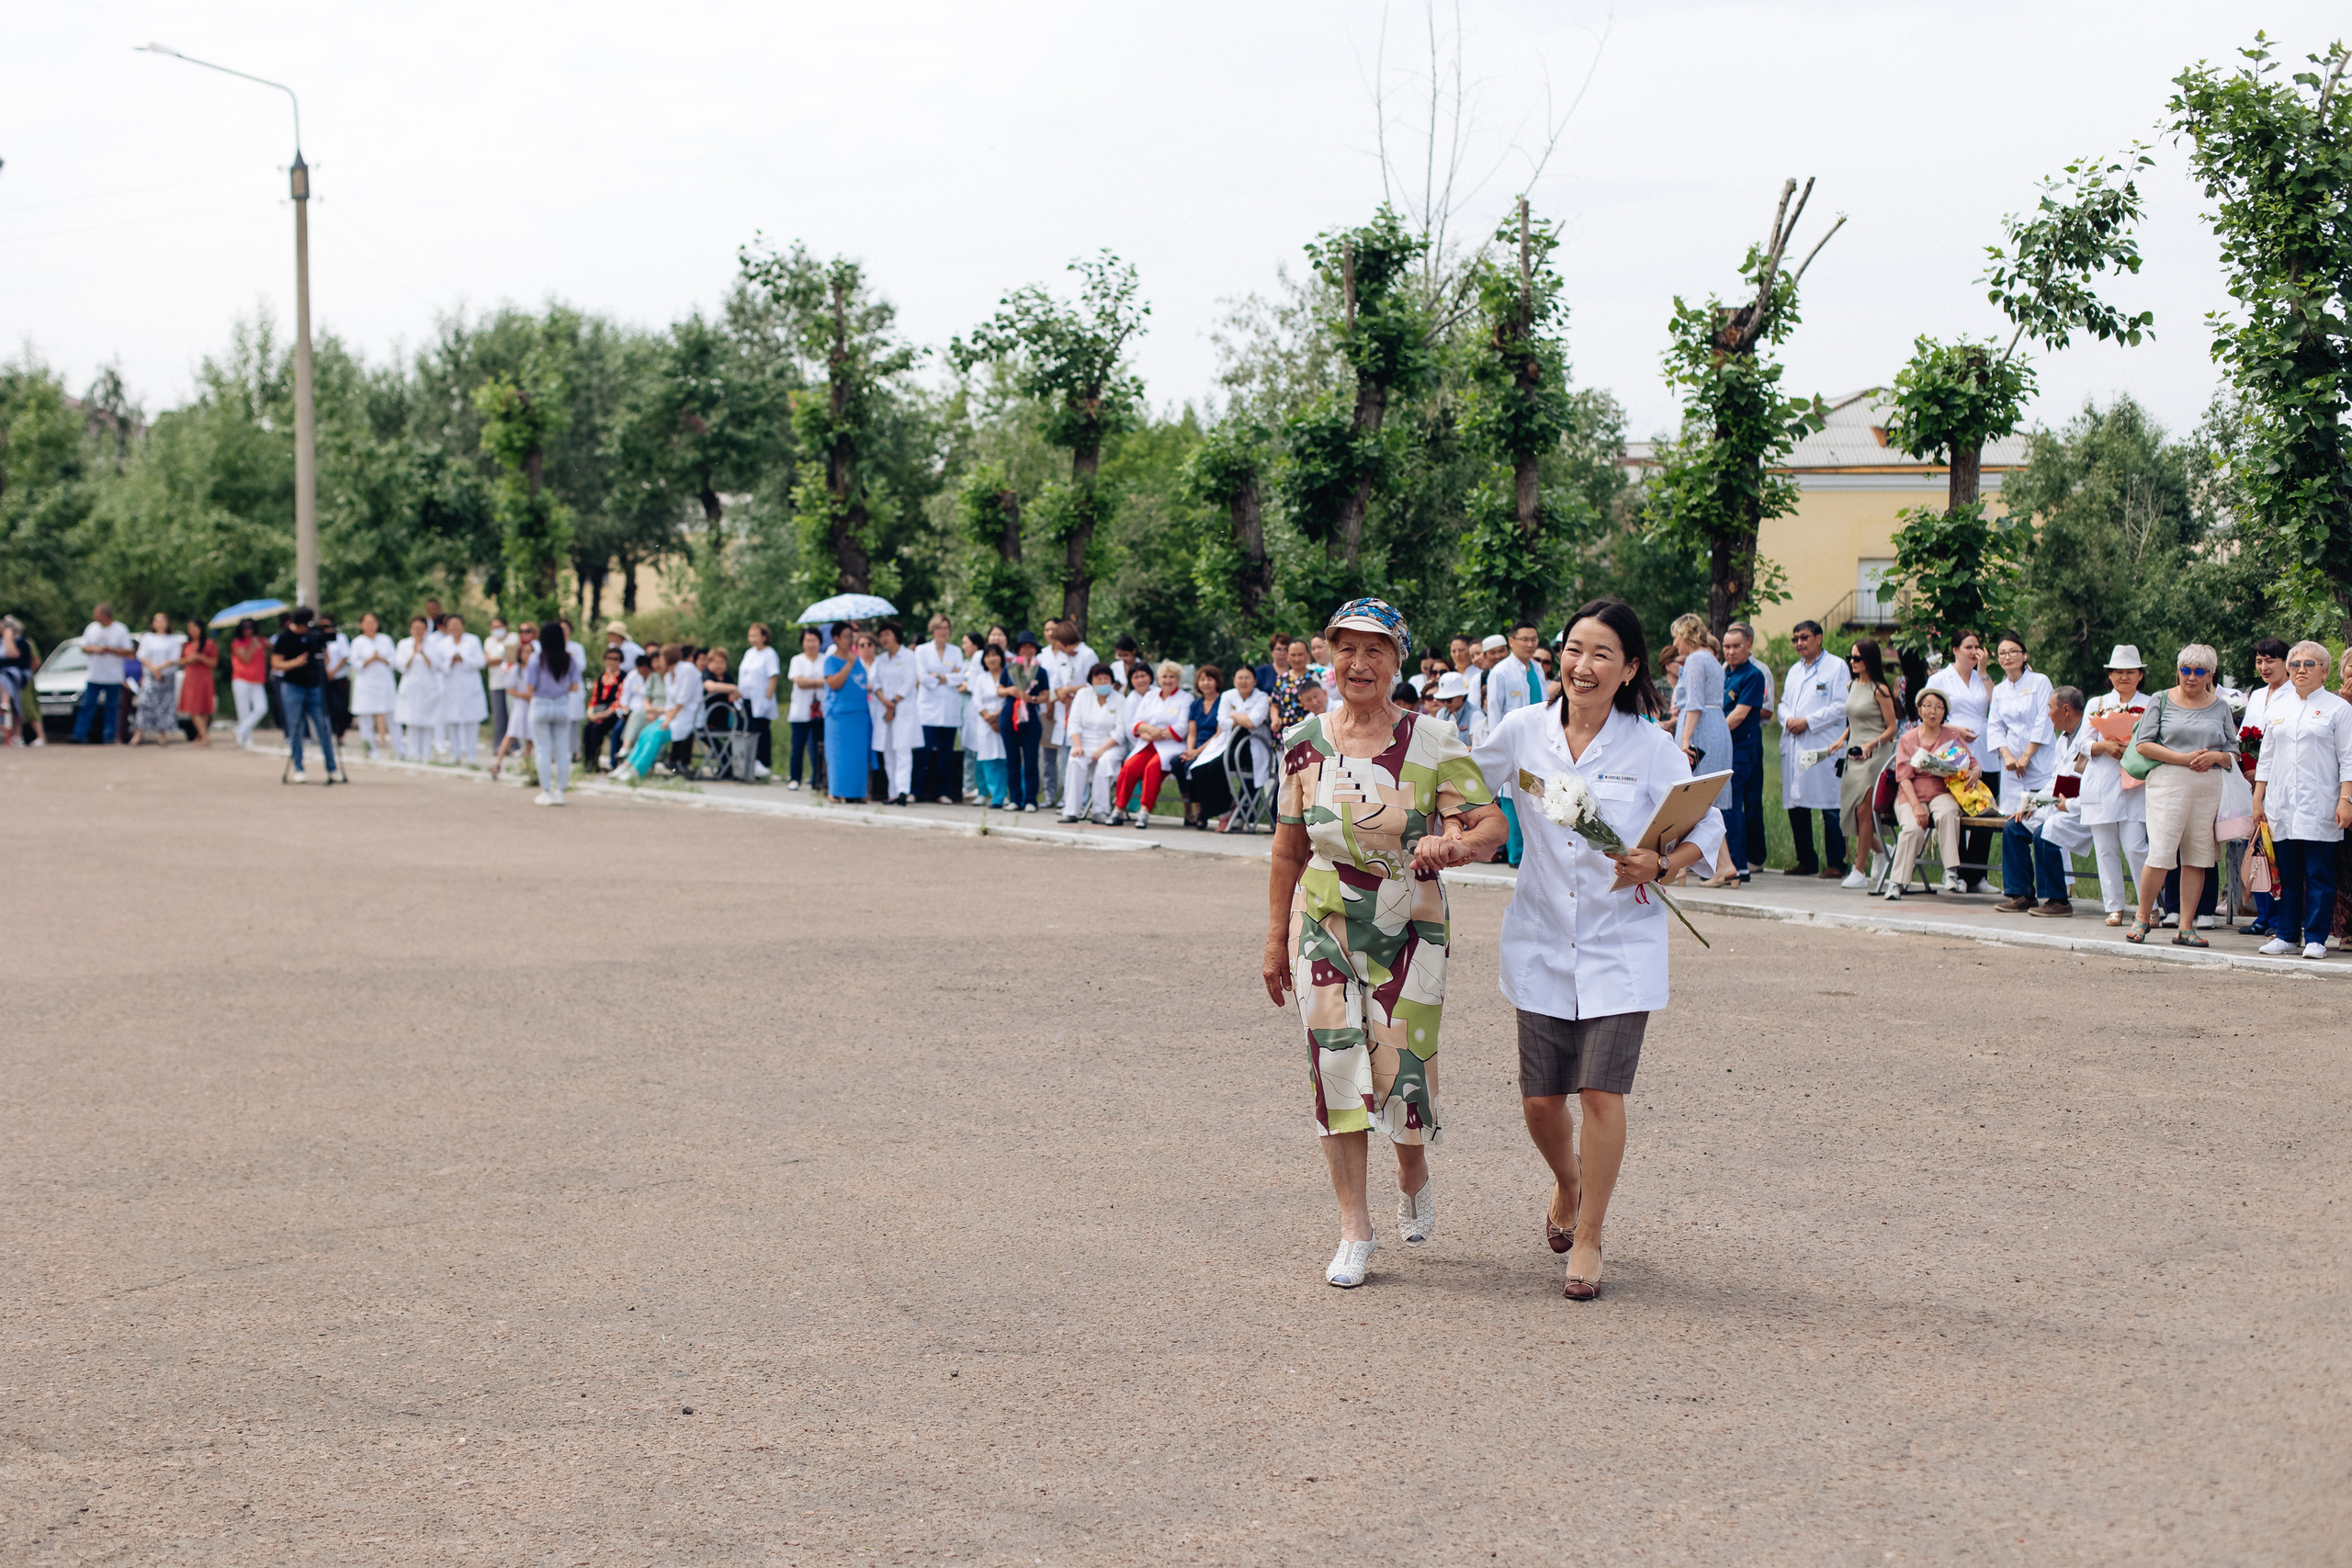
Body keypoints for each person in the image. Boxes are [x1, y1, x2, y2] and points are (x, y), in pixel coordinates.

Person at [1471, 598, 1723, 1302]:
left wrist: (1662, 862)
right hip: (1542, 939)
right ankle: (1567, 1180)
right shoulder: (1523, 731)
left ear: (1630, 668)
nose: (1583, 666)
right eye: (1574, 650)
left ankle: (1589, 1234)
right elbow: (1463, 783)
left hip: (1620, 943)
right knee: (1541, 1101)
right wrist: (1469, 822)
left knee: (1602, 1092)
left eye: (1602, 654)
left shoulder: (1650, 746)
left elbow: (1709, 823)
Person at [1263, 597, 1506, 1289]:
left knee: (1402, 1071)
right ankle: (1354, 1229)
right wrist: (1275, 940)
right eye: (1346, 647)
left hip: (1412, 927)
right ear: (1328, 656)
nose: (1359, 662)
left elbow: (1492, 829)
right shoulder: (1303, 741)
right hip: (1325, 922)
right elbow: (1288, 849)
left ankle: (1412, 1167)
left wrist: (1453, 844)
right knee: (1336, 1066)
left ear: (1398, 660)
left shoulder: (1434, 740)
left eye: (1376, 650)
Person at [2126, 645, 2239, 947]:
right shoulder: (2160, 699)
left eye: (2199, 671)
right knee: (2161, 853)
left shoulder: (2221, 707)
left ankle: (2186, 926)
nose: (2191, 677)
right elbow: (2143, 744)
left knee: (2198, 857)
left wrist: (2215, 756)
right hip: (2168, 781)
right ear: (2178, 671)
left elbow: (2233, 753)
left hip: (2207, 786)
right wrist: (2183, 758)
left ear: (2210, 675)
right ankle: (2142, 916)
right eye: (2186, 670)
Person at [2251, 641, 2352, 959]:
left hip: (2321, 802)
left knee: (2319, 873)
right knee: (2289, 874)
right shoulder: (2278, 708)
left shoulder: (2339, 709)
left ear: (2325, 671)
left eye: (2309, 664)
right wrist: (2258, 798)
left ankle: (2316, 938)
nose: (2301, 670)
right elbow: (2266, 757)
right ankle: (2286, 935)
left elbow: (2348, 758)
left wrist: (2346, 799)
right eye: (2295, 665)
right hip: (2282, 802)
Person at [1996, 685, 2088, 916]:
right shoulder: (2063, 740)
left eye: (2050, 708)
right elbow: (2055, 780)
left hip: (2082, 807)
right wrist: (2032, 803)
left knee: (2045, 833)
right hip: (2058, 804)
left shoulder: (2090, 737)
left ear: (2066, 709)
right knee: (2014, 827)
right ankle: (2022, 895)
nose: (2048, 714)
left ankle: (2058, 901)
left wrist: (2067, 803)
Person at [1884, 688, 1976, 899]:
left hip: (1941, 791)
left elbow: (1972, 762)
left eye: (1939, 707)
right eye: (1928, 706)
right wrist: (1916, 806)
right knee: (1912, 828)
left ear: (1944, 712)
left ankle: (1951, 872)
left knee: (1947, 814)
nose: (1933, 712)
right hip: (1911, 793)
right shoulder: (1908, 739)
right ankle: (1896, 882)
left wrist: (1975, 772)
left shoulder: (1951, 736)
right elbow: (1903, 777)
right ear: (1919, 709)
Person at [1777, 619, 1849, 877]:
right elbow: (1783, 704)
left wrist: (1807, 721)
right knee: (1797, 803)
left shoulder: (1836, 667)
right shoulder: (1795, 671)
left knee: (1830, 804)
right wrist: (1788, 719)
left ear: (1819, 638)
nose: (1799, 643)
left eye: (1804, 637)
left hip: (1823, 744)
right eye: (1795, 639)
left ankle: (1836, 863)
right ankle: (1806, 860)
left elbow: (1842, 705)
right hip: (1796, 743)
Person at [1926, 630, 1996, 886]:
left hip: (1985, 751)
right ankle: (1957, 870)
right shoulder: (1941, 678)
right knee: (1959, 809)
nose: (1974, 652)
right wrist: (1955, 729)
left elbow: (1995, 702)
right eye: (1969, 647)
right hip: (1954, 750)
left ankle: (1977, 874)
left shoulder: (1981, 678)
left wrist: (1983, 670)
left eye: (1978, 647)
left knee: (1985, 810)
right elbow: (1927, 713)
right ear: (1955, 650)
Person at [2237, 638, 2295, 937]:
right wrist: (2248, 766)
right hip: (2254, 781)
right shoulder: (2257, 695)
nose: (2264, 667)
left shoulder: (2294, 694)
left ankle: (2283, 919)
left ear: (2286, 662)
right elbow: (2245, 737)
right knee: (2259, 849)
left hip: (2281, 781)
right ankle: (2264, 914)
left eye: (2270, 660)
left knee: (2280, 852)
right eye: (2260, 661)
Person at [1838, 638, 1903, 887]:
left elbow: (1892, 728)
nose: (1852, 662)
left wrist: (1872, 744)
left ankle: (1859, 869)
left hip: (1875, 756)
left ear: (1869, 660)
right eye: (1850, 658)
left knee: (1864, 811)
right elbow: (1855, 719)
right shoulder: (1851, 685)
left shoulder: (1880, 690)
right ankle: (1882, 850)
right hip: (1854, 754)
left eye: (1857, 658)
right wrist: (1841, 739)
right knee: (1851, 812)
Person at [1986, 633, 2057, 816]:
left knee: (2041, 815)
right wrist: (2007, 756)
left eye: (2013, 652)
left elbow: (2044, 720)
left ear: (2025, 655)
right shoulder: (1999, 690)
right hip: (2011, 765)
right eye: (2002, 653)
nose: (2007, 657)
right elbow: (1995, 726)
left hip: (2039, 759)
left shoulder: (2040, 681)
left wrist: (2026, 757)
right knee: (2012, 817)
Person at [1720, 623, 1768, 883]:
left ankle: (1737, 866)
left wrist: (1715, 734)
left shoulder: (1753, 675)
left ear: (1748, 645)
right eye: (1726, 647)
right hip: (1724, 748)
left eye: (1736, 646)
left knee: (1731, 806)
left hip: (1740, 748)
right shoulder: (1725, 673)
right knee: (1724, 806)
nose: (1731, 652)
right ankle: (1731, 865)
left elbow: (1738, 715)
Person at [271, 607, 339, 782]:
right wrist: (295, 662)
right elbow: (276, 663)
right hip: (293, 686)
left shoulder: (314, 634)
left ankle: (332, 768)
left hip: (315, 686)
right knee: (296, 728)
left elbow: (325, 655)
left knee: (323, 726)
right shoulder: (285, 637)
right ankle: (298, 767)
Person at [1667, 614, 1734, 783]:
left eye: (1676, 637)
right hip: (1717, 725)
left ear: (1686, 635)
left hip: (1700, 731)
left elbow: (1695, 703)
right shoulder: (1712, 659)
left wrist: (1685, 741)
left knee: (1694, 786)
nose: (1675, 643)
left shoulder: (1695, 660)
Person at [520, 629, 582, 806]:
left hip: (540, 704)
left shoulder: (536, 659)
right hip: (561, 704)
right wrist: (560, 690)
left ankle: (546, 791)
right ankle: (561, 791)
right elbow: (575, 686)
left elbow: (530, 687)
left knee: (543, 749)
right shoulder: (568, 659)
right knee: (562, 750)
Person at [1060, 662, 1126, 823]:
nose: (1102, 683)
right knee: (1075, 760)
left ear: (1112, 681)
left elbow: (1120, 731)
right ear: (1092, 681)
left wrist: (1102, 750)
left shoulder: (1120, 699)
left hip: (1111, 745)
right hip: (1085, 743)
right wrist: (1077, 745)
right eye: (1099, 679)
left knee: (1105, 762)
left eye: (1106, 679)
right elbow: (1074, 722)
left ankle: (1100, 810)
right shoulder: (1082, 695)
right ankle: (1071, 811)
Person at [913, 615, 964, 803]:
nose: (943, 632)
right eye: (939, 628)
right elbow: (923, 678)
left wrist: (938, 676)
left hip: (949, 708)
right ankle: (916, 791)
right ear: (932, 630)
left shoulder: (956, 651)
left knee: (946, 754)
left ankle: (943, 792)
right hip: (928, 709)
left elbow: (960, 678)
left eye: (946, 628)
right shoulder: (922, 650)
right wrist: (948, 676)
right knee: (924, 751)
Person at [867, 622, 919, 805]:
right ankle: (893, 793)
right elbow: (875, 682)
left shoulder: (908, 656)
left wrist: (894, 703)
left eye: (887, 634)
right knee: (888, 751)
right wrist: (885, 701)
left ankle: (903, 790)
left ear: (896, 635)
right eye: (881, 635)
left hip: (902, 708)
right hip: (884, 708)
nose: (884, 639)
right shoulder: (881, 659)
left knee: (902, 749)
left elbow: (909, 681)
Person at [820, 624, 872, 804]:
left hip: (859, 715)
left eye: (852, 636)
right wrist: (848, 664)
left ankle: (856, 793)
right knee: (839, 756)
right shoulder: (831, 660)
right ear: (836, 638)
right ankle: (836, 791)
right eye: (847, 636)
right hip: (840, 716)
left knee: (858, 756)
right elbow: (834, 684)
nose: (851, 640)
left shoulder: (858, 660)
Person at [997, 632, 1046, 811]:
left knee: (1031, 760)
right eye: (1023, 647)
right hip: (1010, 717)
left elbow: (1046, 695)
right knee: (1012, 760)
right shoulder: (1010, 668)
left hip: (1030, 718)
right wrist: (1011, 690)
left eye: (1030, 647)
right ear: (1018, 649)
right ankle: (1015, 798)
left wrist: (1031, 698)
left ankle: (1031, 799)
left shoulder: (1040, 671)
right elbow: (999, 690)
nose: (1027, 650)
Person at [72, 604, 134, 744]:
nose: (94, 616)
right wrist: (96, 649)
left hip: (113, 677)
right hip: (94, 675)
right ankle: (79, 735)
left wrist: (110, 650)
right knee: (88, 705)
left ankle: (109, 736)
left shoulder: (120, 629)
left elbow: (129, 651)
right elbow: (84, 647)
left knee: (112, 707)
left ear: (105, 615)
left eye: (97, 614)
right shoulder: (92, 628)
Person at [1173, 664, 1224, 828]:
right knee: (1177, 762)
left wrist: (1197, 752)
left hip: (1215, 746)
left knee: (1193, 765)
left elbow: (1219, 733)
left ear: (1217, 682)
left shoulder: (1223, 701)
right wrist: (1190, 750)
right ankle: (1190, 808)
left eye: (1210, 679)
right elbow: (1192, 733)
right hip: (1196, 746)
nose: (1206, 683)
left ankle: (1202, 811)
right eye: (1202, 679)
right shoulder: (1196, 704)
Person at [438, 614, 488, 766]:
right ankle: (455, 755)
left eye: (457, 624)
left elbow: (481, 661)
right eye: (451, 625)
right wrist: (450, 661)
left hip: (469, 687)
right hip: (451, 688)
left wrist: (464, 658)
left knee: (471, 723)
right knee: (452, 722)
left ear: (462, 626)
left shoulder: (473, 640)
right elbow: (438, 665)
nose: (455, 628)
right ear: (447, 628)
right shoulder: (443, 644)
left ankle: (471, 756)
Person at [965, 644, 1012, 806]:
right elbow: (977, 700)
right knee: (988, 760)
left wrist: (998, 716)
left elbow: (1009, 699)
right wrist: (989, 719)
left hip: (1005, 720)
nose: (992, 659)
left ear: (1001, 657)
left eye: (995, 655)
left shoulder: (1008, 676)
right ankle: (995, 795)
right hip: (985, 723)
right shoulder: (981, 678)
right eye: (988, 656)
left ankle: (1004, 794)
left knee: (1005, 759)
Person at [489, 623, 537, 779]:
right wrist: (524, 695)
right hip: (521, 705)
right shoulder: (516, 670)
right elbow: (510, 689)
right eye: (525, 652)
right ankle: (498, 762)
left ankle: (526, 765)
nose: (527, 655)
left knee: (530, 737)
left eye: (530, 652)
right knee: (511, 734)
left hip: (532, 705)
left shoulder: (535, 670)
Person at [130, 611, 186, 743]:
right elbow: (142, 655)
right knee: (145, 703)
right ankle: (139, 733)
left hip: (166, 676)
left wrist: (160, 668)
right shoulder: (148, 637)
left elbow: (174, 658)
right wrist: (154, 669)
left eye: (162, 620)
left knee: (165, 705)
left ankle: (162, 734)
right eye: (157, 620)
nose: (160, 623)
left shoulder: (173, 639)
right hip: (150, 675)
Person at [347, 613, 397, 761]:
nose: (370, 626)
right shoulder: (357, 642)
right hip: (366, 686)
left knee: (392, 717)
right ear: (361, 625)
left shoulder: (385, 640)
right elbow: (355, 664)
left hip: (384, 684)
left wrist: (380, 658)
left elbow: (394, 661)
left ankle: (399, 751)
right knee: (365, 719)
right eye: (367, 622)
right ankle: (370, 752)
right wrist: (371, 658)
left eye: (373, 622)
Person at [786, 626, 827, 791]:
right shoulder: (797, 660)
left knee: (819, 746)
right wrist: (819, 682)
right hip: (800, 710)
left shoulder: (825, 659)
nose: (811, 644)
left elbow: (830, 681)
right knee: (798, 746)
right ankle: (795, 778)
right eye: (807, 640)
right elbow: (800, 682)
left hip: (821, 710)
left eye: (814, 640)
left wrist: (810, 681)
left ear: (819, 642)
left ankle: (818, 778)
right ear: (802, 642)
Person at [740, 623, 782, 781]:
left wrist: (767, 698)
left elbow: (773, 677)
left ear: (764, 637)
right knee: (750, 729)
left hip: (762, 699)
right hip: (747, 698)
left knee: (762, 730)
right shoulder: (749, 653)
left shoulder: (769, 654)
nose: (752, 639)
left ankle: (763, 763)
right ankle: (752, 761)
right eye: (750, 636)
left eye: (755, 635)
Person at [223, 617, 268, 748]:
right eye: (245, 627)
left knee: (261, 708)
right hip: (241, 680)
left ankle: (241, 730)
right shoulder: (237, 643)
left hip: (257, 680)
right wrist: (252, 645)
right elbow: (246, 659)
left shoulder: (260, 640)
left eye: (251, 627)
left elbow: (274, 647)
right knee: (244, 711)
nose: (248, 630)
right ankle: (247, 740)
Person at [173, 617, 218, 746]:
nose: (192, 631)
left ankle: (201, 735)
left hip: (204, 678)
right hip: (191, 678)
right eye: (190, 629)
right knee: (193, 707)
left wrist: (201, 658)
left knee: (204, 707)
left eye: (194, 628)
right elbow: (179, 661)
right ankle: (205, 736)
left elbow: (214, 663)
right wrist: (189, 659)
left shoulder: (209, 644)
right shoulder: (186, 645)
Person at [583, 648, 628, 772]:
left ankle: (596, 761)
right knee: (588, 727)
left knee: (597, 728)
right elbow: (594, 699)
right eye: (609, 658)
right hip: (599, 712)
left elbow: (619, 701)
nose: (612, 661)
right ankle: (589, 761)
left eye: (615, 659)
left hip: (614, 714)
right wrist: (591, 713)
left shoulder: (623, 678)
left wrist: (603, 715)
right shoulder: (601, 678)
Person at [1271, 636, 1315, 733]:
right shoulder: (1281, 679)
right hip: (1285, 732)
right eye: (1293, 655)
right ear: (1288, 656)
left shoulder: (1315, 677)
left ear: (1308, 655)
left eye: (1300, 654)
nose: (1297, 659)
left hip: (1309, 731)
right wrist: (1274, 718)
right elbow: (1274, 705)